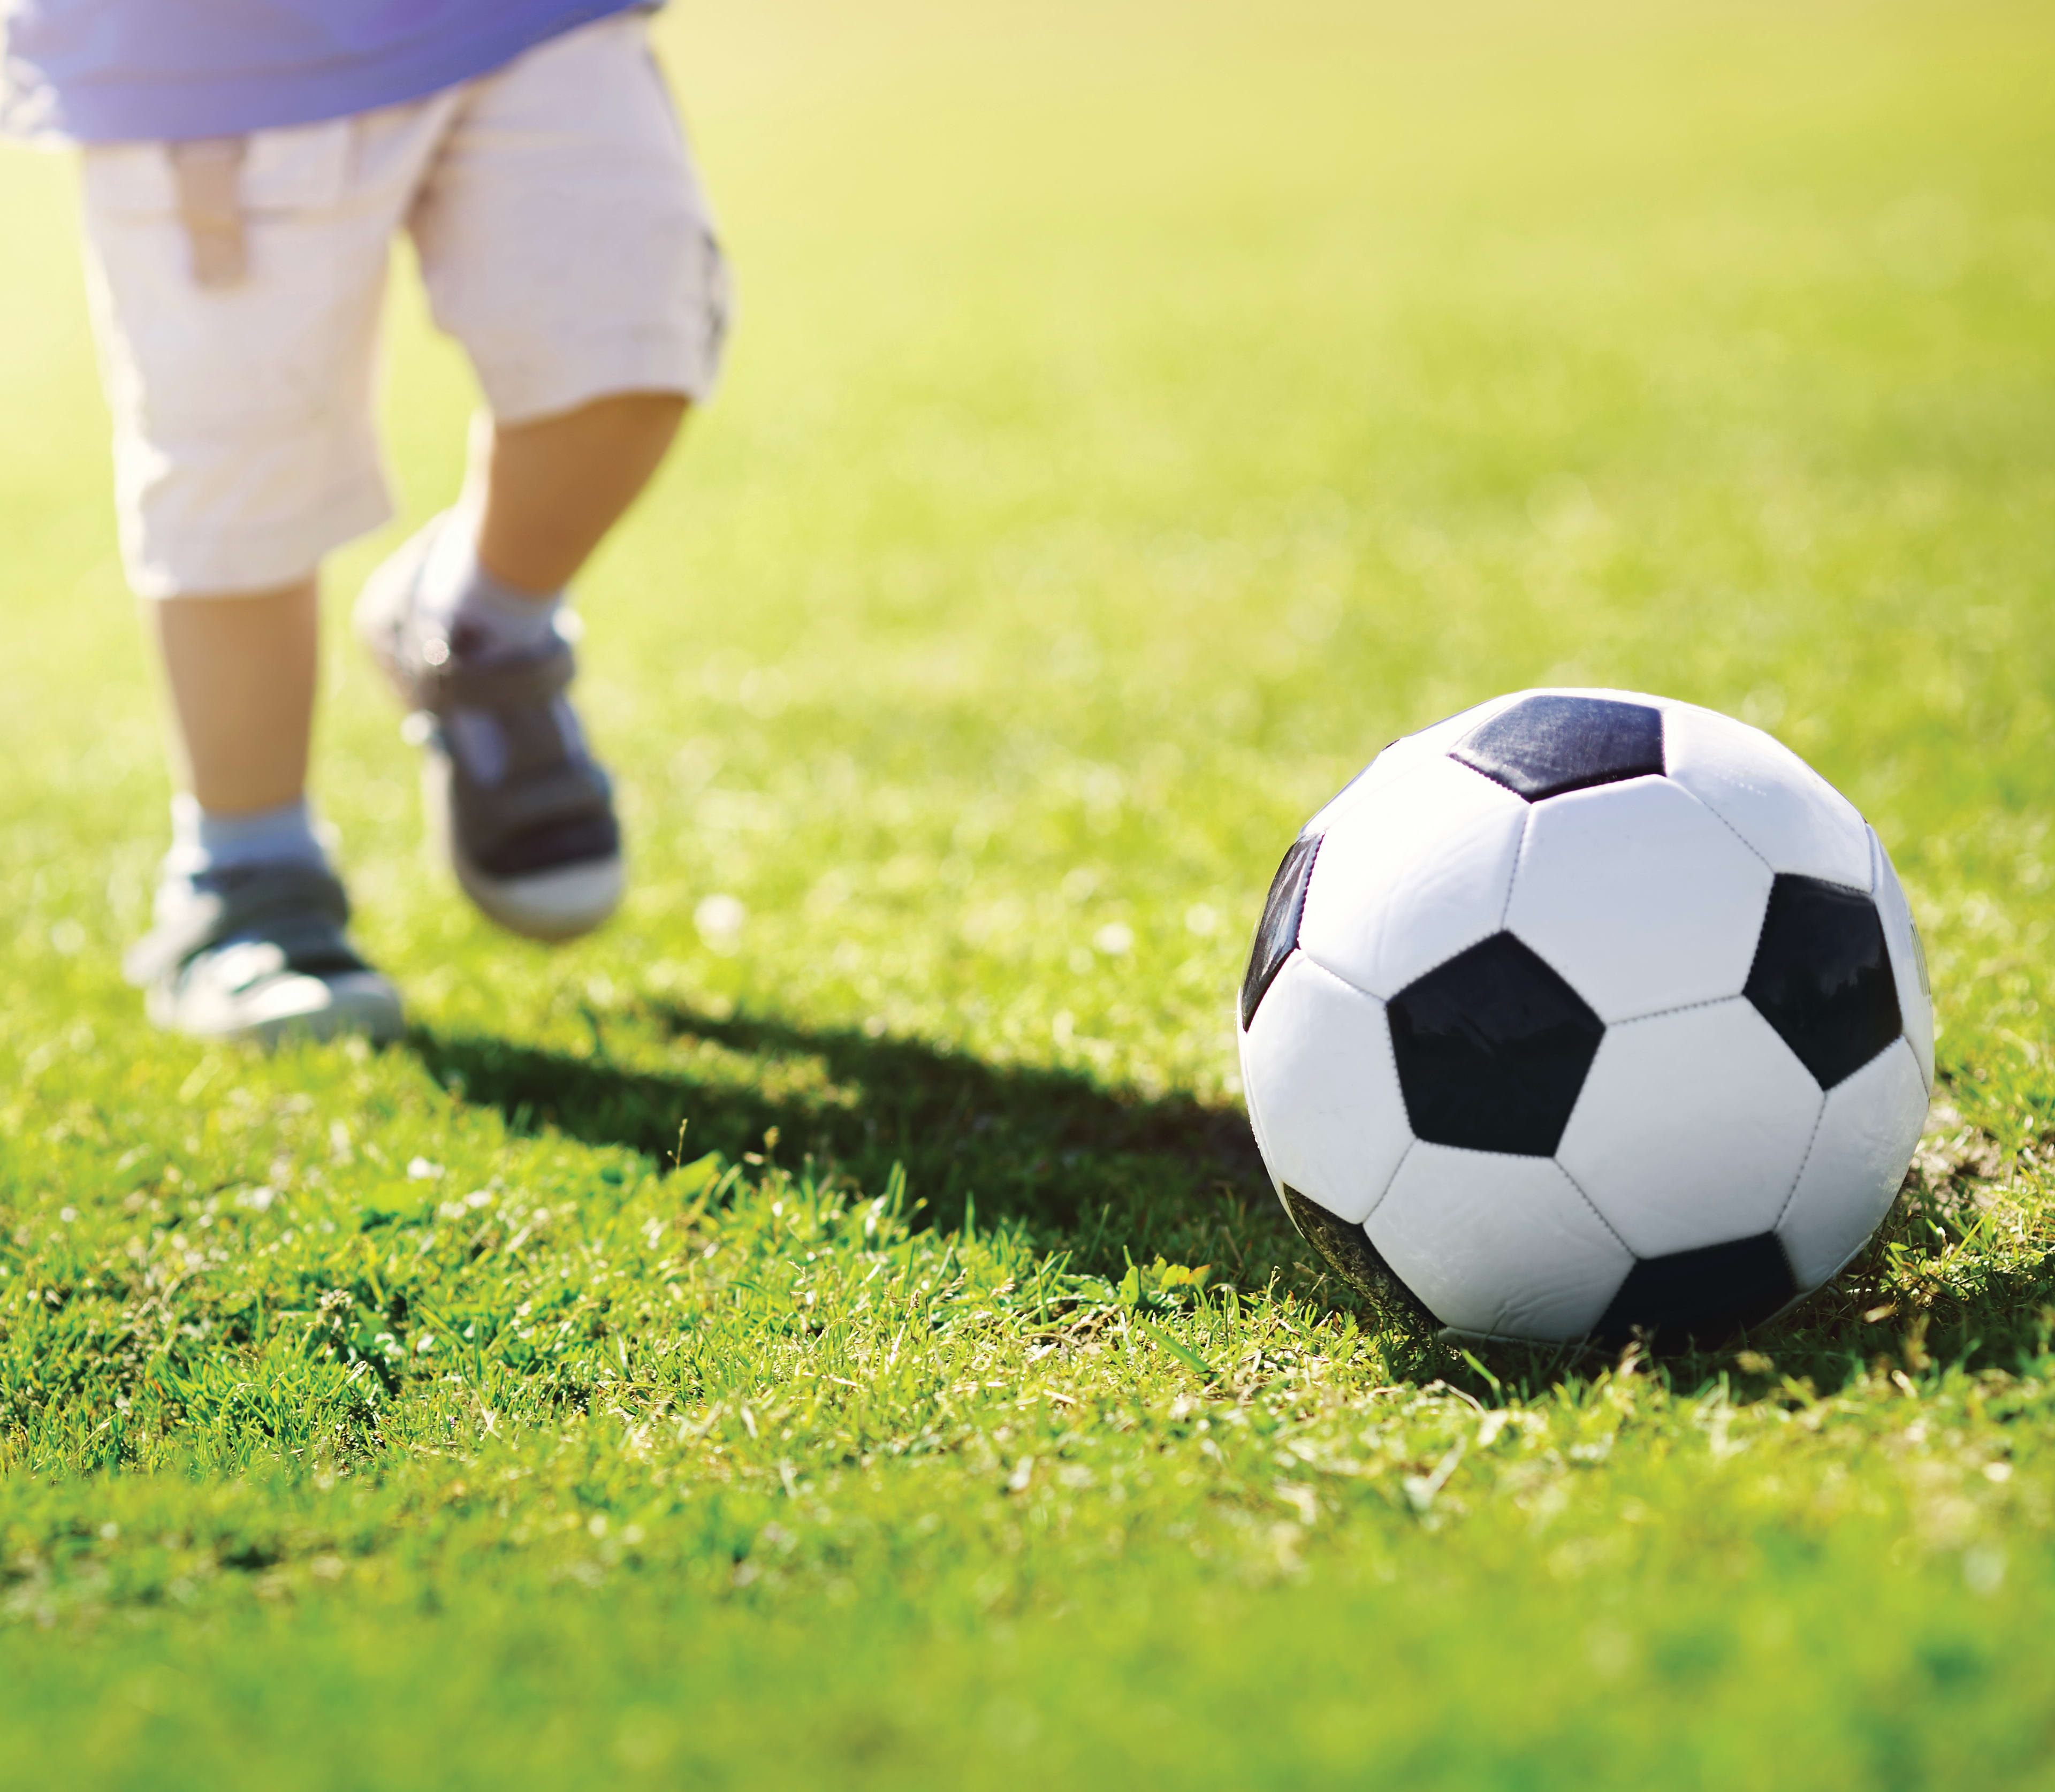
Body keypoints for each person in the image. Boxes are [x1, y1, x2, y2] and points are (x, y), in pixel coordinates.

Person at [1, 1, 729, 1042]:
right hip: (204, 51)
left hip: (529, 19)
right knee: (239, 463)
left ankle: (479, 628)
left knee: (632, 339)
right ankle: (247, 879)